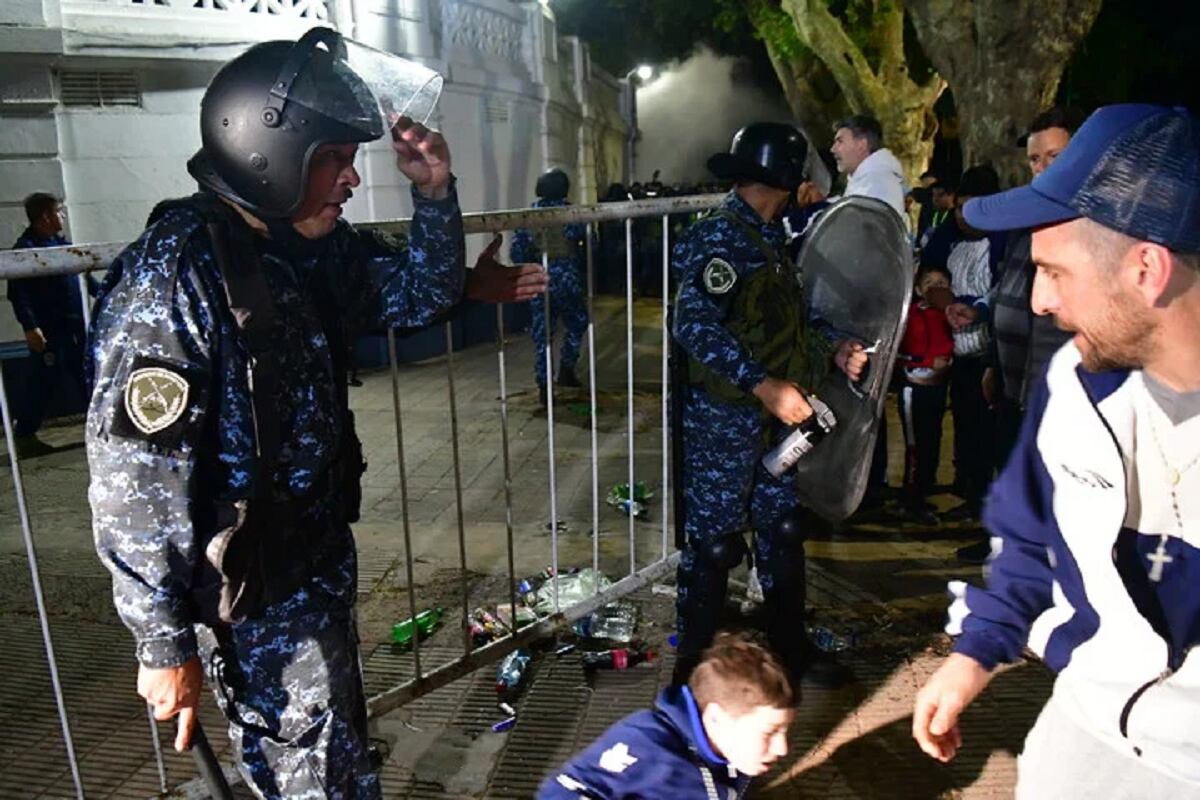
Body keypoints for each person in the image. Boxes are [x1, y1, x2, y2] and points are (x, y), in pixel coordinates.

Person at [86, 28, 541, 798]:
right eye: (334, 158)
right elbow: (134, 482)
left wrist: (435, 193)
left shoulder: (303, 250)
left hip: (314, 559)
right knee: (312, 778)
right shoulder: (178, 272)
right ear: (272, 153)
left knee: (332, 758)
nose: (352, 180)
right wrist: (162, 643)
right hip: (257, 589)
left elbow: (413, 296)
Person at [912, 104, 1200, 798]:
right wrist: (975, 652)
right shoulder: (1073, 380)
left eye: (1054, 271)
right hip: (1085, 729)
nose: (1039, 300)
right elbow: (1030, 537)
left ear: (1146, 270)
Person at [671, 122, 866, 686]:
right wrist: (761, 384)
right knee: (713, 546)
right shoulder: (720, 237)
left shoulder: (767, 236)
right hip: (725, 419)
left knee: (780, 531)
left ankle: (789, 651)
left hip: (772, 418)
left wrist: (835, 349)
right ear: (787, 181)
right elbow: (692, 324)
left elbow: (791, 320)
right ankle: (690, 677)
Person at [537, 633, 793, 799]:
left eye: (784, 731)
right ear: (716, 718)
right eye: (770, 732)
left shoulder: (734, 755)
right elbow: (562, 790)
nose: (783, 748)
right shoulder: (644, 741)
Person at [987, 107, 1081, 469]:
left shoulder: (1093, 225)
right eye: (1034, 159)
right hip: (1014, 394)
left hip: (1060, 398)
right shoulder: (1023, 220)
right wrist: (994, 363)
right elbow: (1007, 292)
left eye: (1054, 157)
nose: (1042, 168)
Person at [921, 165, 1007, 523]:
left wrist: (981, 310)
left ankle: (993, 507)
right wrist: (949, 303)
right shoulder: (948, 235)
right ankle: (969, 493)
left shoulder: (1006, 238)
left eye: (974, 209)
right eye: (960, 208)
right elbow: (930, 273)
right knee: (965, 425)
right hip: (958, 350)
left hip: (994, 352)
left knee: (992, 435)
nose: (965, 217)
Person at [8, 193, 89, 453]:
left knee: (87, 375)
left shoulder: (60, 243)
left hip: (74, 327)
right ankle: (24, 436)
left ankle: (101, 426)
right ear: (46, 216)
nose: (62, 215)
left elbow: (80, 275)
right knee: (43, 381)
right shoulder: (26, 250)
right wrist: (31, 327)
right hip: (50, 330)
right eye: (59, 211)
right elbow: (19, 294)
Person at [510, 168, 588, 405]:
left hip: (539, 281)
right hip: (567, 281)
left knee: (542, 335)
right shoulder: (571, 213)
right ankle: (566, 368)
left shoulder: (528, 217)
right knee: (577, 322)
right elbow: (588, 243)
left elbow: (516, 253)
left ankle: (544, 386)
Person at [897, 264, 955, 523]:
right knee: (915, 446)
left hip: (938, 387)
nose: (936, 287)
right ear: (919, 288)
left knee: (932, 442)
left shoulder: (948, 315)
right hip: (913, 388)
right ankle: (910, 500)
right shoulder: (907, 316)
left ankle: (922, 494)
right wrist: (927, 361)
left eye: (942, 282)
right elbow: (898, 354)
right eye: (930, 282)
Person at [830, 114, 908, 220]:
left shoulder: (878, 186)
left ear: (861, 145)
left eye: (840, 141)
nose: (833, 149)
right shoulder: (867, 180)